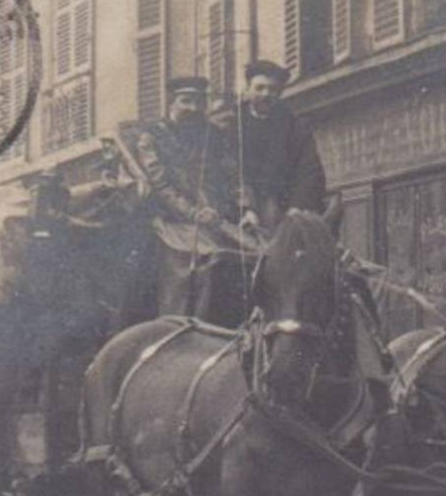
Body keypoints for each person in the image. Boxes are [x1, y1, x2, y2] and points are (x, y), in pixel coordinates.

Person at [135, 76, 251, 327]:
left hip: (217, 217)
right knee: (198, 262)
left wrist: (248, 208)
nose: (193, 108)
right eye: (185, 101)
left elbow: (234, 176)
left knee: (255, 252)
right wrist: (192, 213)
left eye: (199, 102)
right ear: (171, 103)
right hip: (172, 220)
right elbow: (161, 185)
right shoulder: (151, 137)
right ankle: (179, 325)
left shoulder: (214, 136)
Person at [230, 59, 328, 233]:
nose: (266, 94)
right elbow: (230, 170)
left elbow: (310, 170)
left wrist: (297, 206)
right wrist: (247, 208)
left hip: (285, 206)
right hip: (238, 208)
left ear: (280, 93)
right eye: (259, 88)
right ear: (247, 90)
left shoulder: (296, 128)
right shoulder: (231, 127)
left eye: (272, 89)